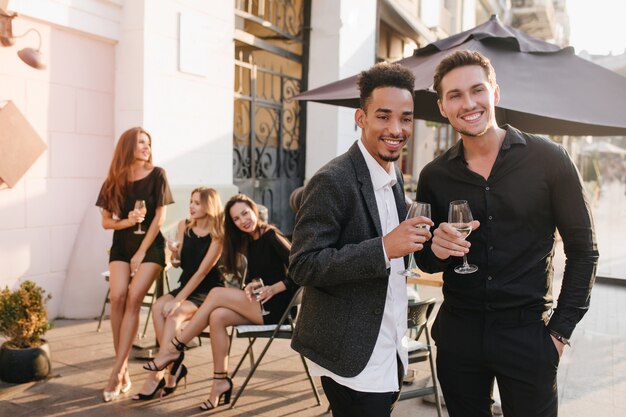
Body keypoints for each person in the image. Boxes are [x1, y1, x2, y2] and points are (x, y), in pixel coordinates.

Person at [414, 50, 598, 417]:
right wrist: (436, 249)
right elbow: (425, 261)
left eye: (477, 90)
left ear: (495, 93)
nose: (468, 103)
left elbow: (584, 252)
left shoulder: (550, 159)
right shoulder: (434, 176)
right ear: (442, 107)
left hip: (528, 335)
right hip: (458, 335)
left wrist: (559, 333)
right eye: (455, 96)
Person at [289, 62, 433, 417]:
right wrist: (384, 248)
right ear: (361, 117)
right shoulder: (332, 179)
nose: (396, 129)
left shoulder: (393, 172)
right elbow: (303, 265)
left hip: (389, 342)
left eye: (405, 118)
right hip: (351, 352)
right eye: (383, 116)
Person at [141, 193, 298, 410]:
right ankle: (219, 383)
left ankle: (174, 348)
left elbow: (303, 269)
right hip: (261, 303)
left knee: (216, 293)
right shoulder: (249, 241)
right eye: (236, 219)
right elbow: (261, 274)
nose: (243, 220)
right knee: (217, 317)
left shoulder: (270, 235)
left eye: (245, 213)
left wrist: (277, 287)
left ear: (254, 210)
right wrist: (252, 283)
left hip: (280, 308)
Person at [96, 127, 174, 402]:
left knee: (132, 299)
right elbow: (106, 222)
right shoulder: (114, 179)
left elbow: (159, 218)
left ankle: (116, 372)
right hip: (121, 244)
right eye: (141, 142)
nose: (146, 147)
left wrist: (141, 252)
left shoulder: (157, 175)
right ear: (128, 146)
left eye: (148, 143)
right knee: (117, 297)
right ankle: (124, 371)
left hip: (151, 247)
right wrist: (126, 222)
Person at [132, 187, 224, 400]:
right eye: (191, 201)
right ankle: (175, 365)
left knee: (174, 313)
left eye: (197, 203)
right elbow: (178, 264)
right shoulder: (185, 225)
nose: (191, 206)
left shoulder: (218, 235)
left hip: (208, 290)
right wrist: (174, 254)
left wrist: (179, 300)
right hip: (186, 284)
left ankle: (158, 374)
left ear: (209, 205)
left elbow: (202, 273)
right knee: (157, 308)